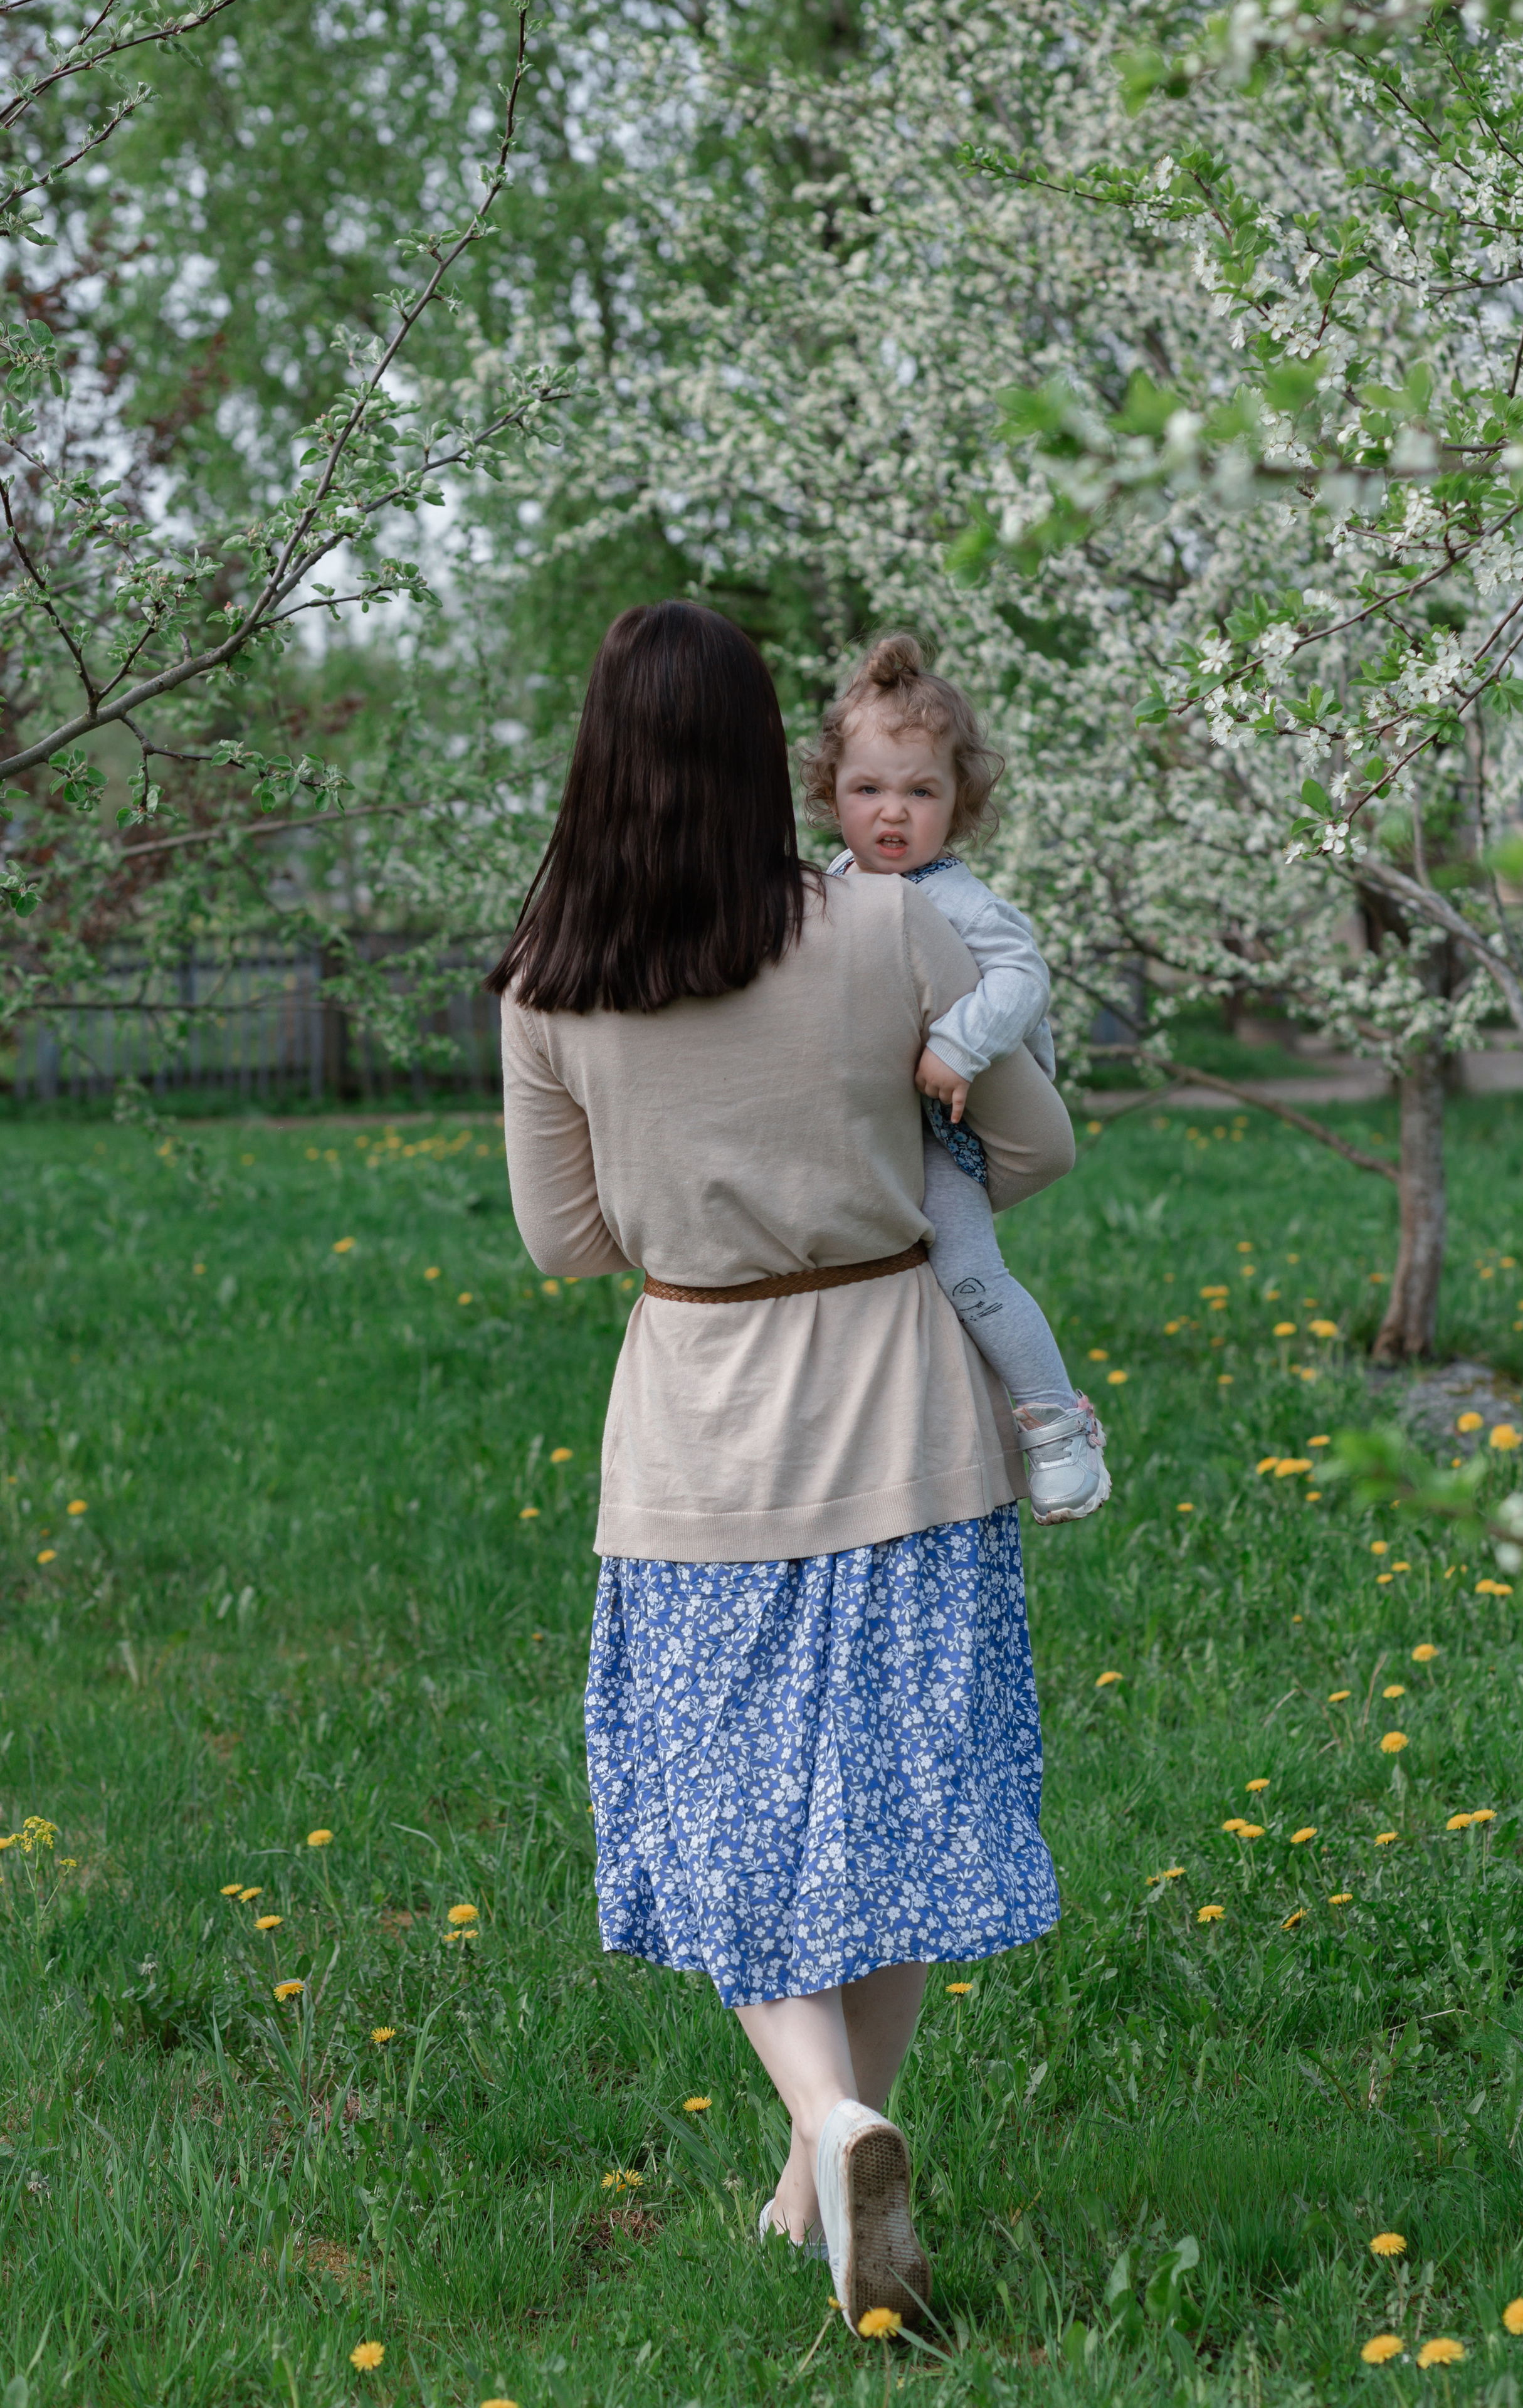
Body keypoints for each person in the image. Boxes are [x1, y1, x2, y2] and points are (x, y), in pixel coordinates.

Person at [489, 601, 1076, 2335]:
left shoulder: (550, 983)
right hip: (904, 1416)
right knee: (899, 1812)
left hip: (697, 1438)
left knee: (716, 1815)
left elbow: (565, 1243)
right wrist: (881, 1176)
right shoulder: (888, 923)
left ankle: (819, 2144)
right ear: (775, 759)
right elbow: (1033, 1142)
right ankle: (834, 2133)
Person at [804, 633, 1110, 1524]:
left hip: (954, 1123)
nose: (892, 814)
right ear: (831, 793)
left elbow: (1021, 980)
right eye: (868, 790)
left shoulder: (957, 898)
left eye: (921, 792)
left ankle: (1056, 1422)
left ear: (959, 802)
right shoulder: (830, 884)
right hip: (876, 1118)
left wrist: (958, 1047)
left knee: (970, 1274)